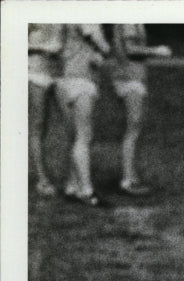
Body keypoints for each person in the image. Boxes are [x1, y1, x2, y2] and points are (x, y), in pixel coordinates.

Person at [107, 24, 172, 196]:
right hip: (129, 78)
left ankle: (131, 175)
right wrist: (156, 51)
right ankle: (127, 180)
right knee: (133, 127)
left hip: (132, 77)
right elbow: (130, 49)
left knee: (135, 127)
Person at [54, 24, 111, 207]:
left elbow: (56, 47)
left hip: (62, 79)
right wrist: (100, 52)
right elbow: (103, 46)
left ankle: (72, 186)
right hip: (82, 80)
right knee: (83, 137)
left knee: (74, 137)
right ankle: (87, 191)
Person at [28, 23, 64, 197]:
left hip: (60, 72)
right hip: (36, 72)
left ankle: (72, 180)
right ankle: (42, 179)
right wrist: (43, 48)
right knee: (38, 125)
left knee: (69, 123)